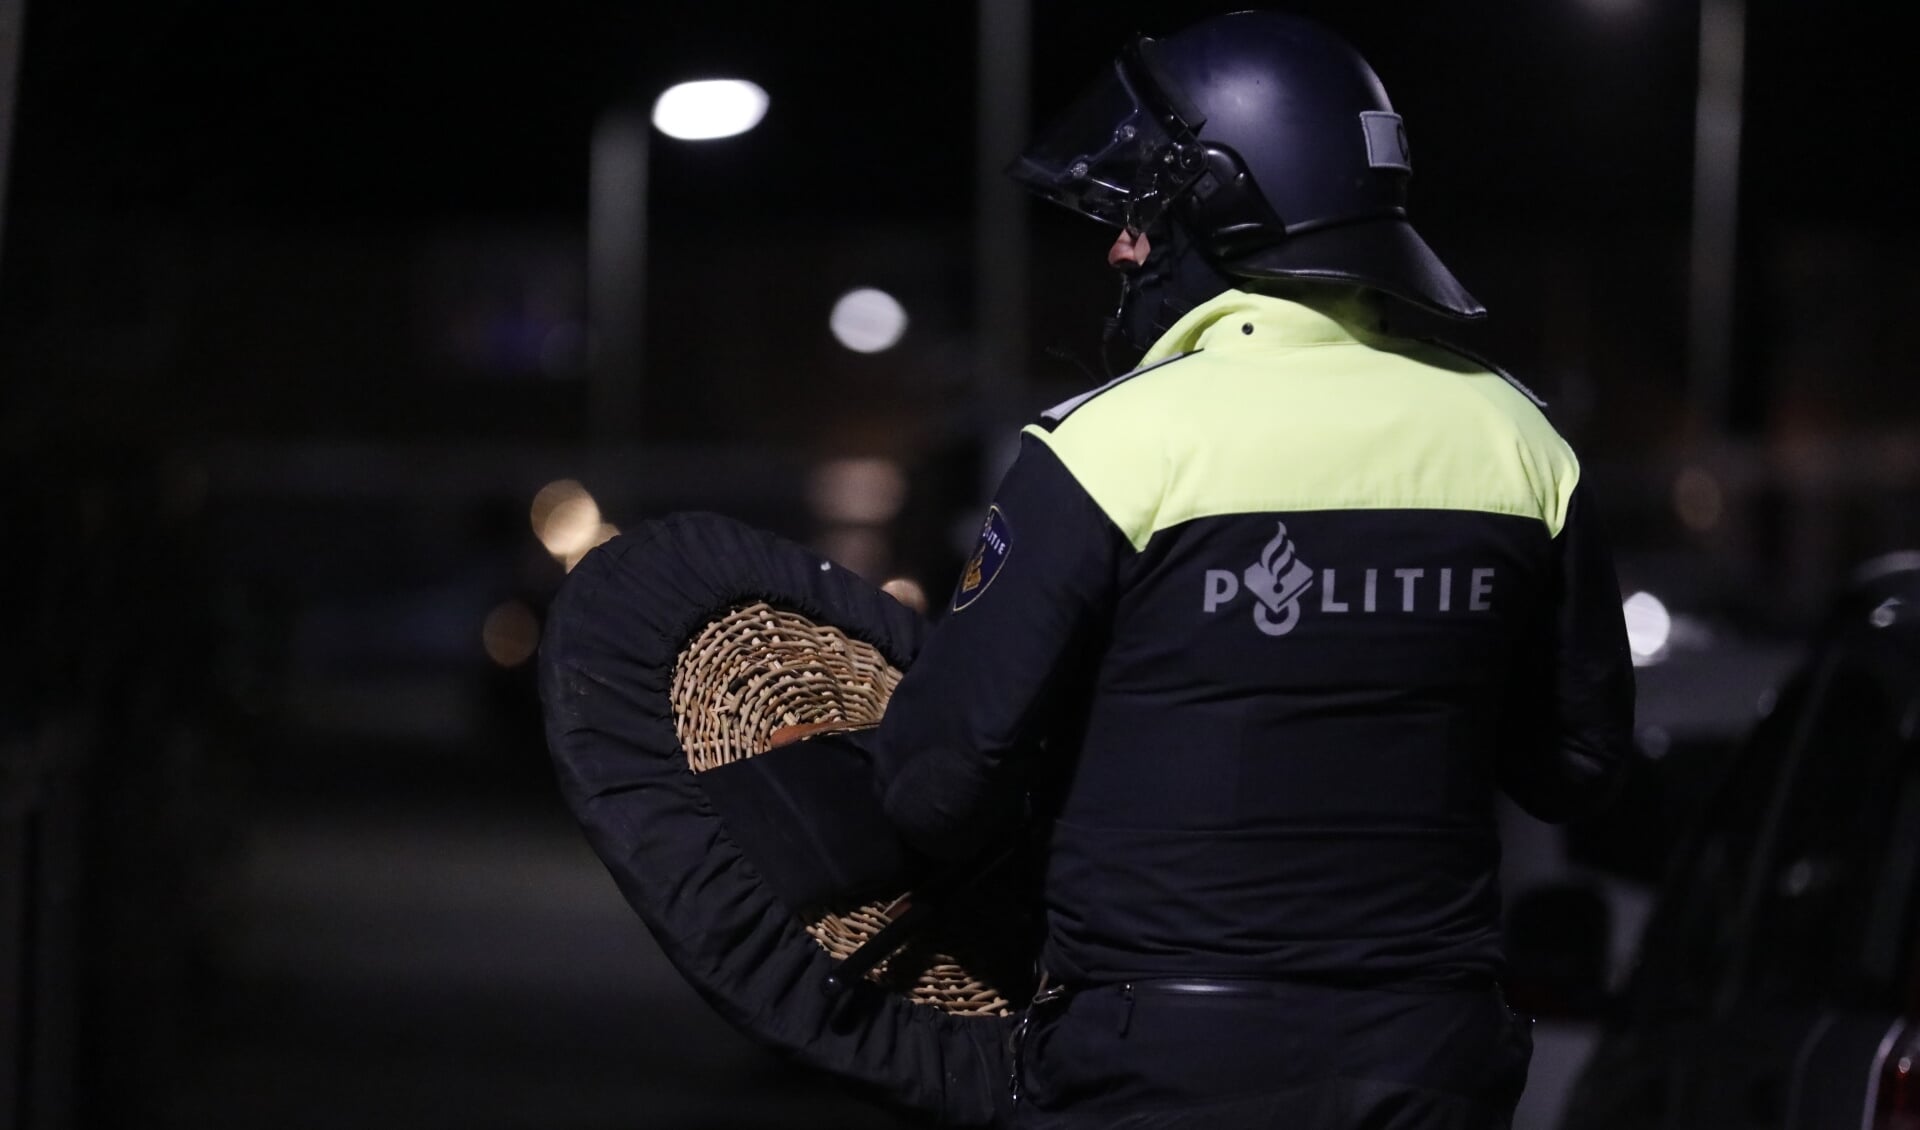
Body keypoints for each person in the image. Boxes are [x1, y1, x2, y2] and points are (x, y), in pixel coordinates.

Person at [870, 11, 1635, 1129]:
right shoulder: (1523, 443)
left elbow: (937, 786)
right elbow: (1580, 767)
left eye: (1143, 212)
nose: (1124, 246)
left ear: (1228, 205)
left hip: (1161, 1061)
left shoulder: (1104, 446)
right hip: (1428, 1058)